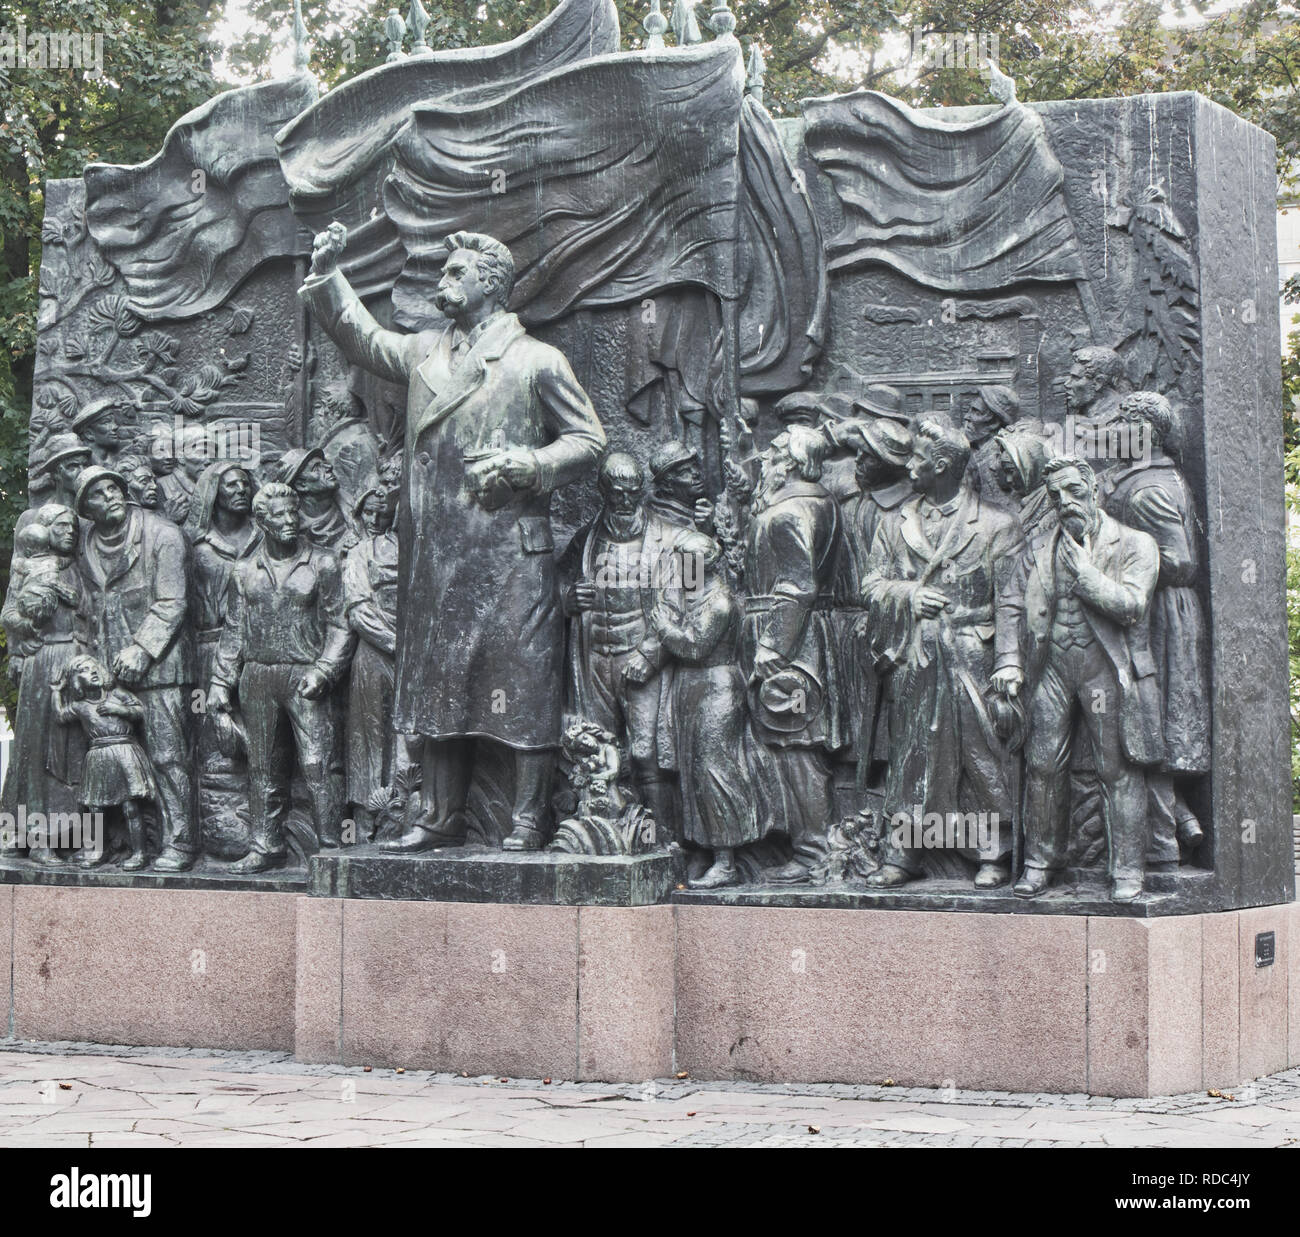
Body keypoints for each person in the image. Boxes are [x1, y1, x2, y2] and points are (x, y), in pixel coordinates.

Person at [299, 224, 605, 852]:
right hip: (437, 558)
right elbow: (363, 338)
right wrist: (329, 272)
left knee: (521, 683)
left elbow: (590, 441)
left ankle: (529, 816)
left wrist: (532, 463)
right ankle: (438, 815)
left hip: (510, 557)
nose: (442, 282)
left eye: (454, 272)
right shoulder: (422, 355)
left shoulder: (535, 360)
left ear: (490, 284)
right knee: (435, 684)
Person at [862, 418, 1025, 889]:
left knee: (980, 756)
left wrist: (1008, 661)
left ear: (941, 465)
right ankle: (905, 853)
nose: (907, 466)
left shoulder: (997, 525)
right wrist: (908, 594)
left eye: (916, 458)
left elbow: (1012, 602)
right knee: (914, 755)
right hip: (918, 656)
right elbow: (871, 585)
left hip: (972, 656)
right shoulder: (895, 523)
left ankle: (991, 850)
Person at [1007, 456, 1163, 902]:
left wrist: (1086, 577)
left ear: (1093, 489)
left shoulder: (1135, 543)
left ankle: (1128, 871)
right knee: (1041, 765)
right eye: (1056, 495)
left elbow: (1132, 604)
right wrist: (1007, 661)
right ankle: (1040, 863)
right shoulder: (1038, 549)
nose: (1065, 502)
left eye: (1074, 491)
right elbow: (1011, 604)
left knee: (1117, 769)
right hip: (1052, 668)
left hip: (1103, 668)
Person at [208, 483, 354, 872]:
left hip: (305, 676)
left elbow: (341, 624)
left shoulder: (322, 563)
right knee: (263, 766)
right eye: (280, 515)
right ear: (262, 522)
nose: (290, 520)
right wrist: (220, 684)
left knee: (318, 763)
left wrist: (324, 671)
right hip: (257, 676)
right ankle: (266, 846)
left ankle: (330, 847)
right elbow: (234, 631)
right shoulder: (244, 570)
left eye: (294, 512)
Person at [1103, 390, 1209, 857]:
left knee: (1152, 722)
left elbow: (1180, 562)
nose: (1112, 433)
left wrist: (1116, 570)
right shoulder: (1143, 478)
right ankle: (1178, 823)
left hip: (1159, 614)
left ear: (1144, 432)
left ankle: (1164, 841)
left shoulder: (1147, 490)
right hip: (1151, 608)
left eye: (1122, 424)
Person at [74, 466, 195, 871]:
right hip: (108, 673)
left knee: (167, 757)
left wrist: (142, 650)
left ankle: (181, 843)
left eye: (113, 488)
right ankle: (122, 845)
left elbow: (172, 601)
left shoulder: (163, 535)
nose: (109, 496)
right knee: (111, 761)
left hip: (160, 667)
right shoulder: (86, 544)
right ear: (85, 509)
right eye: (97, 493)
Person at [740, 430, 847, 884]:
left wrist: (772, 645)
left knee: (797, 745)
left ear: (796, 464)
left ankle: (813, 851)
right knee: (794, 745)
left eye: (777, 453)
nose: (768, 458)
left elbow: (799, 584)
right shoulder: (819, 502)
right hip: (807, 636)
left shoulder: (789, 513)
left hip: (793, 645)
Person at [649, 533, 766, 889]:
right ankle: (703, 847)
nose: (680, 570)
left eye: (686, 564)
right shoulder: (693, 596)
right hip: (691, 689)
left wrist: (664, 628)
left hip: (716, 688)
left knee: (714, 771)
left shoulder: (721, 603)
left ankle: (726, 861)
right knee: (692, 773)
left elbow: (695, 645)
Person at [0, 504, 85, 863]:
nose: (69, 533)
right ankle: (33, 838)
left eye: (73, 528)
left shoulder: (81, 567)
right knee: (35, 753)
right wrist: (26, 630)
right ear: (46, 529)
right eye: (62, 527)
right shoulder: (28, 567)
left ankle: (76, 836)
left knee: (72, 754)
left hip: (76, 664)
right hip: (42, 661)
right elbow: (8, 612)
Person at [52, 655, 156, 871]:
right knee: (96, 808)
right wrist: (56, 691)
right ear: (76, 681)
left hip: (124, 751)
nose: (93, 672)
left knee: (130, 807)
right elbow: (61, 716)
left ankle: (140, 853)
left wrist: (120, 710)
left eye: (95, 668)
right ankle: (98, 850)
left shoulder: (116, 694)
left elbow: (140, 711)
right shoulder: (80, 706)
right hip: (98, 755)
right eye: (86, 671)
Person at [342, 482, 401, 837]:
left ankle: (403, 810)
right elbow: (358, 610)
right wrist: (395, 643)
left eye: (384, 512)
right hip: (374, 655)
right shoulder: (359, 553)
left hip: (412, 658)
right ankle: (365, 820)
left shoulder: (412, 548)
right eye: (369, 512)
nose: (376, 519)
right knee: (369, 735)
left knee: (406, 735)